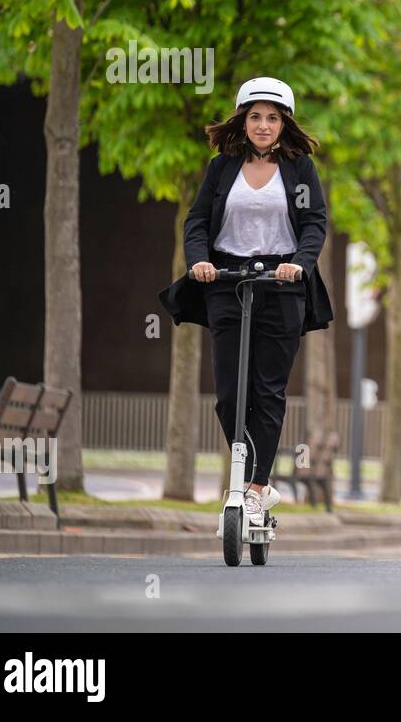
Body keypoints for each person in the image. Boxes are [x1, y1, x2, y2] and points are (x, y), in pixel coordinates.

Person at [158, 77, 334, 525]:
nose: (262, 125)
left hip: (282, 282)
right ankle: (252, 476)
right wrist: (198, 261)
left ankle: (253, 490)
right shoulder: (222, 166)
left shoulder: (300, 168)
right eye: (255, 116)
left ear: (284, 124)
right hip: (227, 280)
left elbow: (315, 222)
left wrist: (300, 262)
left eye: (272, 118)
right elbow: (197, 221)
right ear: (243, 120)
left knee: (267, 391)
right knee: (229, 394)